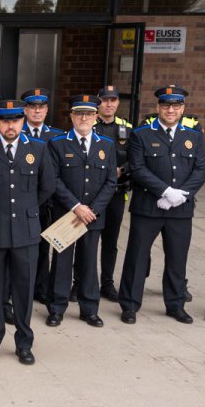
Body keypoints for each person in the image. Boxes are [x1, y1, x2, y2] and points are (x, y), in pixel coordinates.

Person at [0, 99, 55, 365]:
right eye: (5, 120)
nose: (10, 126)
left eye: (15, 120)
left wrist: (28, 208)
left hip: (26, 231)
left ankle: (24, 344)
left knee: (24, 290)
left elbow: (47, 186)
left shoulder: (38, 148)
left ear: (22, 121)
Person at [118, 85, 205, 325]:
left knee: (177, 258)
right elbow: (137, 168)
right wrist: (165, 191)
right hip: (148, 206)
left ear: (182, 109)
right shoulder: (142, 134)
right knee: (137, 257)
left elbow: (200, 170)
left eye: (175, 106)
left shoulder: (193, 136)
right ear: (158, 107)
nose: (170, 110)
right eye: (166, 105)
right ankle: (129, 305)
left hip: (180, 208)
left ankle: (175, 304)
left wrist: (182, 195)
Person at [45, 95, 116, 327]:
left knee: (88, 262)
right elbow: (53, 179)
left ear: (96, 117)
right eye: (79, 113)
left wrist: (92, 210)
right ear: (72, 116)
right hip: (67, 214)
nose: (83, 118)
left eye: (88, 114)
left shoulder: (106, 145)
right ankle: (56, 308)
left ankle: (89, 309)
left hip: (93, 217)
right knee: (61, 263)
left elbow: (110, 182)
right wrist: (76, 207)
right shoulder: (57, 143)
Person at [21, 88, 65, 306]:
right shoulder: (17, 133)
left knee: (45, 247)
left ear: (47, 109)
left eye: (41, 107)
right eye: (32, 107)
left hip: (49, 202)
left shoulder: (57, 136)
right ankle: (21, 289)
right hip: (23, 201)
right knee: (23, 248)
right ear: (25, 110)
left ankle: (42, 288)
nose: (37, 111)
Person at [93, 85, 134, 302]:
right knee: (87, 241)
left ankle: (107, 283)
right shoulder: (88, 124)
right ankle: (80, 282)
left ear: (118, 103)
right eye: (105, 100)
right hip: (91, 194)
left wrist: (122, 170)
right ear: (98, 102)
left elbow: (135, 158)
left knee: (110, 241)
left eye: (113, 100)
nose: (109, 104)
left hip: (116, 194)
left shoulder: (127, 129)